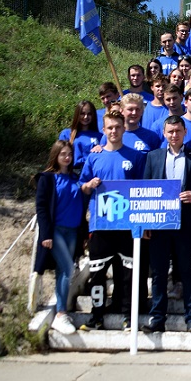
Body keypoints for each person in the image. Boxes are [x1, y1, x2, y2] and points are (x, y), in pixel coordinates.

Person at [78, 112, 145, 331]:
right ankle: (96, 317)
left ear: (124, 128)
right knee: (98, 274)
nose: (114, 131)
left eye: (117, 127)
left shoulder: (135, 157)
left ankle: (128, 317)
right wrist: (89, 185)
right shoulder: (94, 157)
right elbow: (82, 187)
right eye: (110, 128)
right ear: (103, 130)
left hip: (126, 225)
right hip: (101, 225)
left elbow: (142, 190)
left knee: (127, 275)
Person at [140, 116, 191, 333]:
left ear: (185, 132)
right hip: (160, 224)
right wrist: (146, 223)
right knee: (159, 272)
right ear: (164, 133)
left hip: (186, 222)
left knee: (187, 271)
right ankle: (157, 319)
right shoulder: (154, 157)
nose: (174, 135)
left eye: (178, 131)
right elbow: (147, 190)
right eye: (170, 131)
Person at [35, 140, 87, 335]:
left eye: (70, 154)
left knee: (63, 271)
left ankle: (61, 309)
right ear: (55, 155)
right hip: (55, 230)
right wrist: (46, 234)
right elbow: (41, 208)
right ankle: (60, 314)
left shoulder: (75, 178)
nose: (67, 157)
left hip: (73, 230)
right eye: (63, 154)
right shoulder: (47, 178)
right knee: (67, 268)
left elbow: (81, 205)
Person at [59, 101, 102, 171]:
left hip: (91, 173)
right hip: (71, 173)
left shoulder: (100, 136)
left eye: (89, 114)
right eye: (82, 113)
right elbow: (60, 157)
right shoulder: (66, 134)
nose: (86, 117)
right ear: (77, 114)